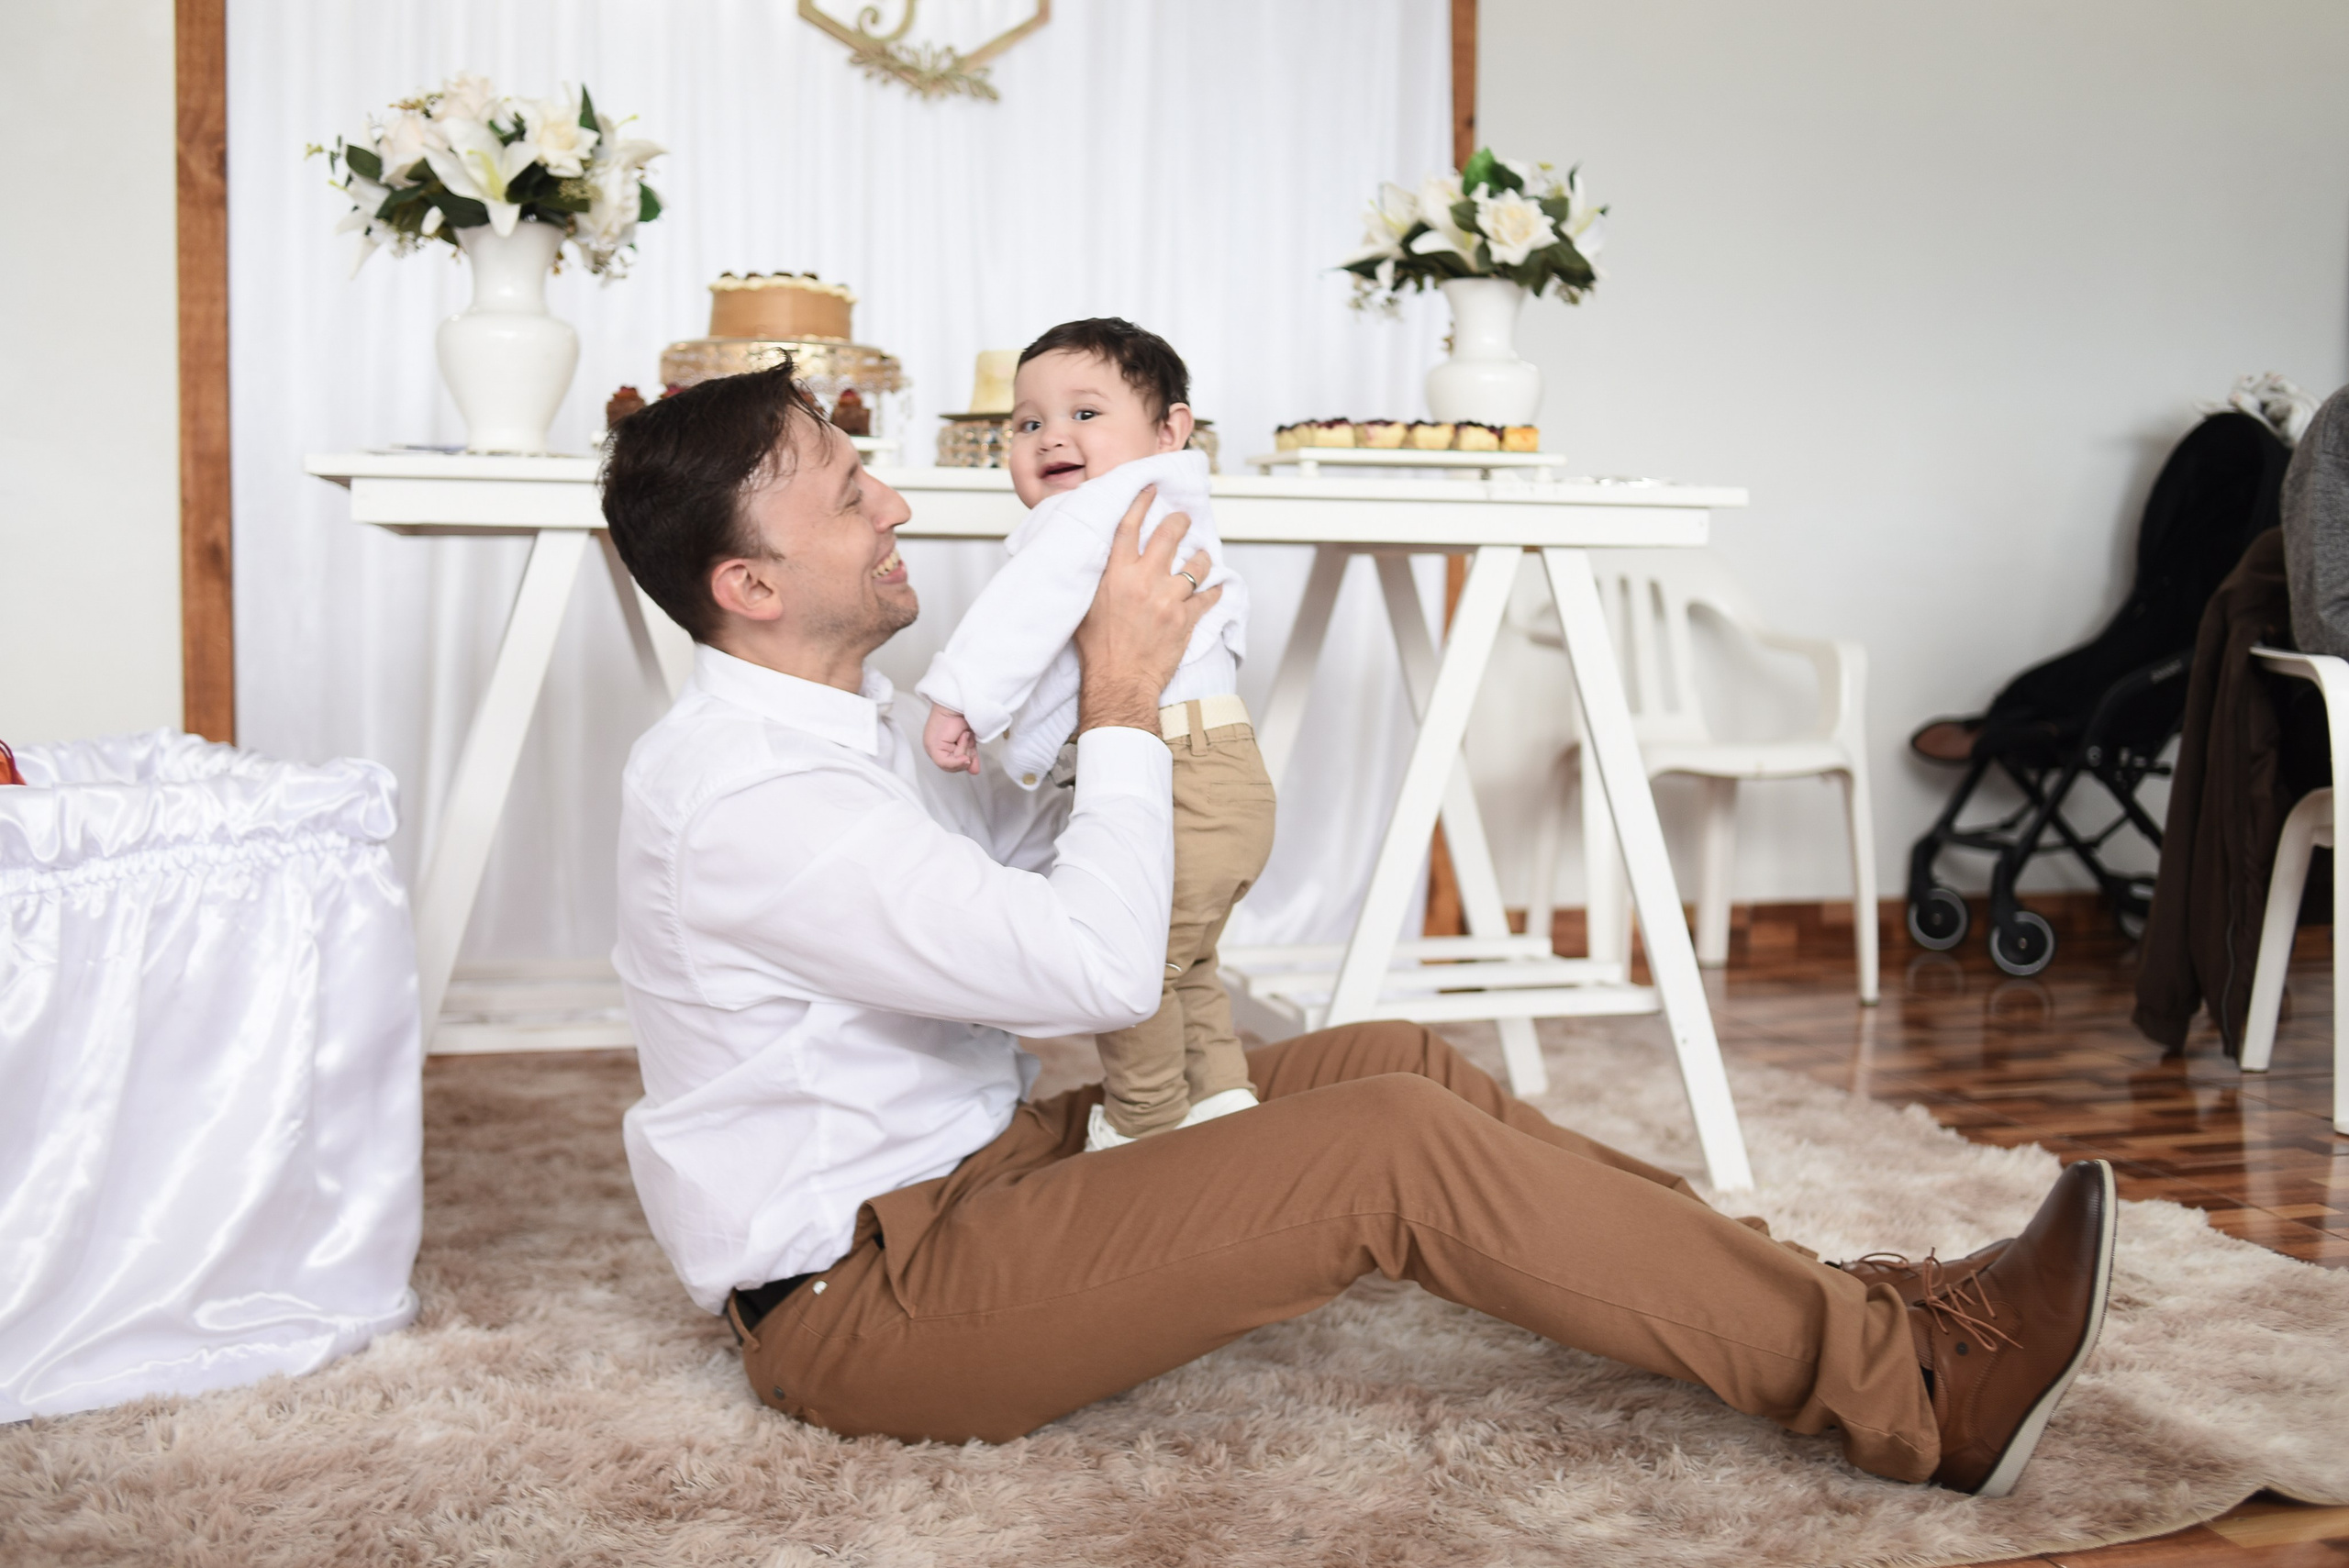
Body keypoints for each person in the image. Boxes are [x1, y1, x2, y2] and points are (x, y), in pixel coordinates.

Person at [599, 361, 2117, 1500]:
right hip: (869, 1302)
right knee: (1385, 1144)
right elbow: (1096, 965)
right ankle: (1915, 1386)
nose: (898, 503)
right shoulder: (744, 797)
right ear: (749, 583)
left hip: (980, 1172)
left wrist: (1144, 707)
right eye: (850, 492)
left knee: (1388, 1058)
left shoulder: (836, 729)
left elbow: (1023, 864)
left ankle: (1850, 1299)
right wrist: (1123, 695)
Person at [917, 318, 1269, 1151]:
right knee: (1191, 965)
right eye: (1028, 422)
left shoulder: (1095, 516)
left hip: (1182, 773)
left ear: (1169, 430)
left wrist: (958, 699)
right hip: (1221, 768)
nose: (1052, 438)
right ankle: (1222, 1104)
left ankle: (1143, 1123)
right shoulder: (1167, 510)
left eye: (1084, 414)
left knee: (1134, 963)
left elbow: (1019, 616)